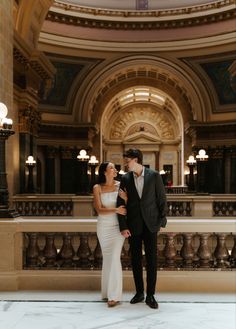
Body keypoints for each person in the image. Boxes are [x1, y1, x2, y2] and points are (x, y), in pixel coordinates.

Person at [117, 149, 167, 309]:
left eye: (127, 160)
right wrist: (123, 226)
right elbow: (120, 204)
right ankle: (139, 293)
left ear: (136, 160)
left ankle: (151, 295)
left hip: (151, 224)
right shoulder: (125, 178)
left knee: (152, 260)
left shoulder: (154, 176)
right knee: (135, 260)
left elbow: (162, 200)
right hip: (133, 225)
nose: (125, 163)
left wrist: (160, 222)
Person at [93, 161, 127, 307]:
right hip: (103, 227)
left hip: (118, 227)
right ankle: (106, 293)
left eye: (114, 167)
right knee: (107, 259)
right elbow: (99, 209)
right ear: (104, 172)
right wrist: (115, 210)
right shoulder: (97, 187)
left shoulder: (121, 185)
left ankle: (114, 295)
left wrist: (126, 199)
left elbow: (130, 205)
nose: (115, 169)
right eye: (111, 167)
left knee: (114, 257)